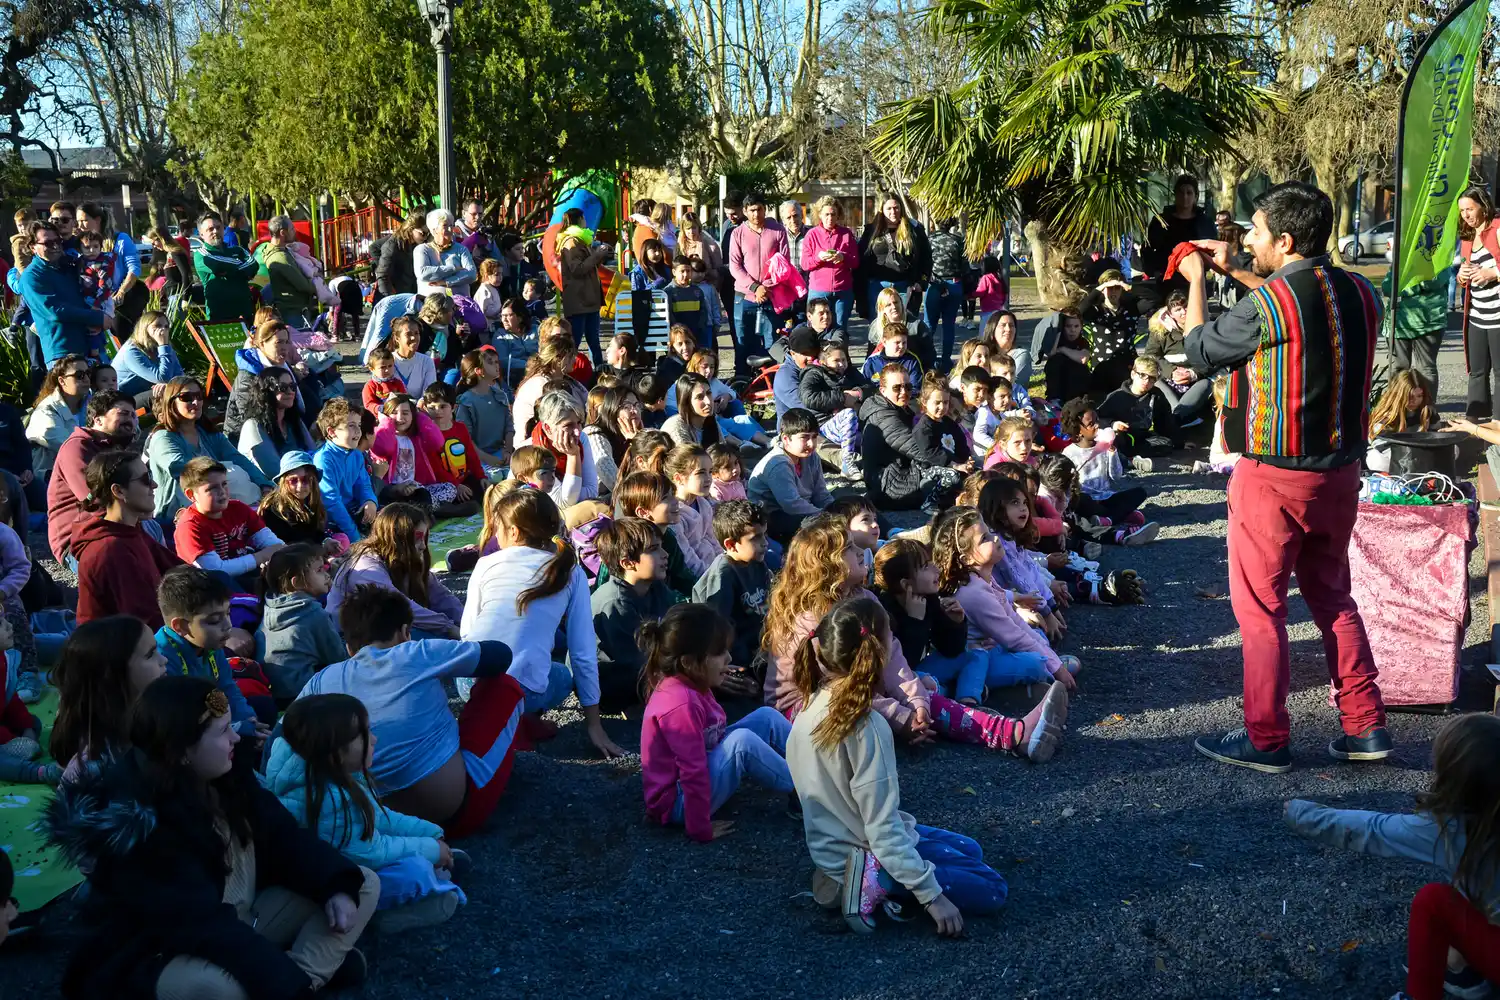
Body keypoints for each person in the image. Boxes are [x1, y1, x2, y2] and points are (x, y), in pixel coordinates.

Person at [1181, 180, 1390, 772]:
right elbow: (1296, 307)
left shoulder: (1270, 304)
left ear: (1287, 239)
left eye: (1256, 232)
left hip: (1274, 476)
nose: (1247, 240)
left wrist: (1200, 281)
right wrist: (1242, 273)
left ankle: (1266, 737)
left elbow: (1201, 350)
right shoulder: (1360, 291)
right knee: (1333, 598)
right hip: (1341, 472)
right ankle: (1365, 726)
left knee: (1261, 610)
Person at [42, 674, 378, 1000]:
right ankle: (300, 970)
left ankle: (301, 975)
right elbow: (196, 922)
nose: (235, 738)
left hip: (234, 921)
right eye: (222, 732)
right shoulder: (138, 821)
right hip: (164, 948)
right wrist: (276, 977)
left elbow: (284, 837)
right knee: (217, 990)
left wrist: (333, 885)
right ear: (182, 750)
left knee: (358, 884)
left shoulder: (224, 774)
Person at [786, 595, 1007, 934]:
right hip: (867, 851)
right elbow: (882, 829)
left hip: (832, 847)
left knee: (970, 850)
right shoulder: (866, 726)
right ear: (878, 652)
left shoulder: (809, 710)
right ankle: (872, 884)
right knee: (992, 888)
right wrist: (931, 896)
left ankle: (842, 875)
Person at [1285, 713, 1500, 1000]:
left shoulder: (1449, 829)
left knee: (1434, 901)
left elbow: (1373, 830)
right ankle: (1462, 970)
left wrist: (1301, 813)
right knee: (1470, 890)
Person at [298, 583, 523, 839]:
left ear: (349, 646)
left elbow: (285, 738)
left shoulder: (322, 680)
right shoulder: (417, 652)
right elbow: (500, 655)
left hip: (373, 824)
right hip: (455, 812)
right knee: (505, 687)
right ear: (406, 632)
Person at [265, 694, 466, 932]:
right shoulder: (329, 800)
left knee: (422, 859)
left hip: (343, 864)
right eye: (364, 734)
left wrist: (429, 833)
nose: (374, 739)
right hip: (336, 882)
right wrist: (430, 850)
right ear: (336, 751)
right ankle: (382, 917)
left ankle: (437, 873)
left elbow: (378, 817)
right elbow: (372, 853)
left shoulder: (325, 769)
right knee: (415, 873)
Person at [873, 536, 1069, 758]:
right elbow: (899, 667)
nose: (935, 569)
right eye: (926, 567)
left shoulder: (928, 598)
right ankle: (974, 703)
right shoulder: (885, 611)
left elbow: (951, 649)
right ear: (906, 584)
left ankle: (969, 699)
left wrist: (957, 622)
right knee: (934, 685)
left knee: (974, 651)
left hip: (929, 672)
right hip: (907, 679)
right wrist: (915, 623)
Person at [460, 487, 623, 754]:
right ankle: (522, 720)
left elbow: (467, 635)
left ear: (513, 531)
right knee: (561, 674)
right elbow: (582, 651)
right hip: (524, 693)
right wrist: (594, 724)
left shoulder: (485, 565)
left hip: (472, 684)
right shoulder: (571, 571)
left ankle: (511, 721)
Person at [641, 602, 793, 843]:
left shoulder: (691, 681)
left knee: (767, 716)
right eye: (720, 653)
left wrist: (716, 673)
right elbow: (692, 771)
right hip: (679, 803)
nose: (729, 658)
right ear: (691, 663)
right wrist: (700, 828)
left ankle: (817, 759)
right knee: (741, 743)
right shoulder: (681, 704)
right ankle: (808, 786)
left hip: (699, 774)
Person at [22, 615, 165, 787]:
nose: (163, 660)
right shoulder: (92, 769)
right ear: (112, 675)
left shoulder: (153, 714)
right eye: (150, 654)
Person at [73, 451, 181, 628]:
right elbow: (146, 622)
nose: (154, 485)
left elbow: (178, 570)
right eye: (145, 479)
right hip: (122, 651)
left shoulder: (130, 531)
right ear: (119, 491)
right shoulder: (110, 550)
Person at [327, 503, 463, 640]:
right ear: (397, 539)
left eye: (425, 537)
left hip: (386, 630)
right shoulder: (366, 567)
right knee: (436, 641)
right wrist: (448, 627)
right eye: (417, 539)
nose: (423, 545)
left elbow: (441, 595)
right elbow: (399, 606)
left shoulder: (404, 557)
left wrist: (466, 623)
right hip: (351, 640)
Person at [145, 376, 273, 520]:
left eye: (199, 396)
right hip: (179, 513)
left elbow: (238, 459)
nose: (195, 402)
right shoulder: (163, 437)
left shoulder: (207, 433)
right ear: (171, 402)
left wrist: (265, 484)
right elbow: (182, 470)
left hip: (218, 503)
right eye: (186, 397)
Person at [590, 517, 677, 710]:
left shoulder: (656, 588)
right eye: (654, 549)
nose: (665, 554)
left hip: (643, 668)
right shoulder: (615, 602)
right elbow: (634, 662)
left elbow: (676, 631)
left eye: (661, 547)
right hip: (612, 683)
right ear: (628, 563)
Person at [46, 390, 138, 565]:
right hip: (80, 539)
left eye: (134, 416)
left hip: (121, 526)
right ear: (98, 419)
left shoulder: (115, 450)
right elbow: (95, 501)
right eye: (123, 413)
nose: (131, 421)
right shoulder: (77, 448)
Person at [858, 366, 963, 512]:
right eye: (897, 388)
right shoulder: (883, 416)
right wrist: (953, 462)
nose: (904, 392)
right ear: (883, 390)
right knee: (950, 479)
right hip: (889, 483)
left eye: (908, 387)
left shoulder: (900, 407)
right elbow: (917, 448)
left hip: (905, 470)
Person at [174, 457, 285, 585]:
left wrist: (278, 554)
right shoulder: (190, 526)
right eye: (212, 488)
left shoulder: (238, 508)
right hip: (212, 589)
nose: (222, 492)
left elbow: (274, 544)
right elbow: (216, 570)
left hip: (248, 575)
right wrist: (261, 557)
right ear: (191, 495)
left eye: (224, 484)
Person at [255, 543, 344, 702]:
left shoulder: (271, 605)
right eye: (319, 570)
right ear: (296, 583)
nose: (326, 574)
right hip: (306, 696)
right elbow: (339, 659)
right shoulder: (313, 614)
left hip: (278, 696)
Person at [691, 499, 772, 669]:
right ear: (731, 545)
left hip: (763, 641)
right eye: (756, 537)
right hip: (743, 655)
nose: (765, 543)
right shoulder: (723, 575)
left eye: (764, 534)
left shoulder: (756, 562)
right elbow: (720, 630)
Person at [16, 221, 109, 363]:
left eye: (57, 241)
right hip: (63, 352)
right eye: (47, 243)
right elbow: (55, 310)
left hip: (91, 344)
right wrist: (97, 317)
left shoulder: (69, 266)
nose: (55, 246)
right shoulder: (31, 276)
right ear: (32, 247)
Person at [727, 192, 791, 378]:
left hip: (770, 296)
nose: (756, 214)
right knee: (742, 341)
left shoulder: (778, 230)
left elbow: (783, 263)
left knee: (772, 341)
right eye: (752, 210)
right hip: (744, 297)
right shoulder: (737, 233)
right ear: (745, 211)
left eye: (760, 209)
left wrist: (766, 286)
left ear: (765, 209)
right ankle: (742, 381)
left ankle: (771, 382)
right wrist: (755, 287)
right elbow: (735, 266)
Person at [748, 408, 833, 543]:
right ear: (786, 439)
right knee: (820, 529)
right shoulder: (778, 464)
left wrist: (836, 509)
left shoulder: (811, 457)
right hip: (773, 517)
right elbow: (792, 505)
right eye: (804, 437)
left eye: (814, 437)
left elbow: (821, 493)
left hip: (803, 509)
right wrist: (826, 516)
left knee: (852, 508)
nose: (811, 444)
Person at [1456, 187, 1500, 418]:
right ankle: (1475, 422)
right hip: (1476, 316)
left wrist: (1492, 273)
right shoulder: (1467, 237)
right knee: (1476, 371)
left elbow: (1491, 270)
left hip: (1497, 316)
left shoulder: (1498, 228)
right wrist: (1462, 276)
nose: (1466, 215)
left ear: (1483, 206)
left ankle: (1498, 428)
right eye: (1462, 211)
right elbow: (1464, 272)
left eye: (1470, 209)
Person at [800, 338, 872, 479]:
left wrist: (858, 393)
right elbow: (809, 397)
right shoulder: (814, 373)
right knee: (849, 414)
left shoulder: (850, 372)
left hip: (850, 428)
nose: (841, 364)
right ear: (823, 361)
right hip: (824, 426)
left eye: (844, 360)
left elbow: (870, 387)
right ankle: (846, 463)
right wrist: (842, 398)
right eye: (836, 361)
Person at [1382, 250, 1449, 400]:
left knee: (1426, 368)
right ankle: (1397, 408)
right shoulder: (1402, 258)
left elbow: (1436, 280)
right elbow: (1387, 287)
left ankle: (1428, 411)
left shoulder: (1440, 255)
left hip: (1429, 322)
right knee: (1398, 369)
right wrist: (1417, 286)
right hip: (1400, 322)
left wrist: (1406, 286)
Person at [857, 193, 931, 325]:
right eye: (889, 208)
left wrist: (922, 281)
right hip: (877, 287)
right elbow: (862, 261)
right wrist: (860, 292)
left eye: (896, 208)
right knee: (878, 328)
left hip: (906, 287)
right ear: (881, 210)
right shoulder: (872, 230)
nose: (893, 212)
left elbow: (926, 257)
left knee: (904, 328)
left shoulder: (914, 229)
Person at [314, 397, 380, 543]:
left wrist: (370, 501)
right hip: (332, 520)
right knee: (342, 542)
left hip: (353, 511)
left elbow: (364, 485)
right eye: (351, 426)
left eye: (359, 425)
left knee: (391, 520)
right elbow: (331, 502)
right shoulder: (324, 459)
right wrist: (355, 537)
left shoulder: (356, 454)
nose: (358, 431)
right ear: (331, 432)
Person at [1140, 174, 1216, 297]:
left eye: (1189, 193)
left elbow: (1212, 248)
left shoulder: (1205, 222)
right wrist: (1155, 271)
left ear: (1195, 196)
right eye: (1181, 192)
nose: (1185, 197)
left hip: (1196, 279)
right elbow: (1148, 248)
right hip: (1167, 280)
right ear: (1175, 195)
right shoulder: (1161, 220)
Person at [1095, 356, 1179, 462]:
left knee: (1167, 444)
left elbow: (1166, 420)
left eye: (1152, 378)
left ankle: (1130, 458)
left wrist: (1179, 442)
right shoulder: (1116, 396)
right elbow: (1099, 419)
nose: (1146, 381)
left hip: (1143, 438)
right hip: (1123, 436)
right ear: (1133, 374)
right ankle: (1127, 458)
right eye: (1142, 375)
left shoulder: (1156, 395)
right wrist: (1113, 424)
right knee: (1112, 439)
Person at [258, 451, 344, 552]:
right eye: (293, 480)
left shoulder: (309, 500)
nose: (300, 486)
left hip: (310, 551)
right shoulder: (272, 509)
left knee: (342, 540)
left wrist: (326, 540)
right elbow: (289, 545)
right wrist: (321, 551)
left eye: (305, 480)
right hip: (289, 557)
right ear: (284, 482)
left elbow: (313, 533)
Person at [556, 211, 610, 365]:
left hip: (589, 299)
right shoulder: (571, 242)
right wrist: (597, 255)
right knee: (576, 340)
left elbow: (589, 266)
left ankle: (599, 369)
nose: (586, 220)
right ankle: (569, 368)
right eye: (584, 217)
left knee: (594, 339)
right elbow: (577, 269)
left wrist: (599, 256)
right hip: (579, 300)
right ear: (579, 219)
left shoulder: (581, 240)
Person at [26, 353, 91, 480]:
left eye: (88, 373)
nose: (86, 378)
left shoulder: (90, 400)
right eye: (79, 375)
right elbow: (69, 446)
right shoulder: (45, 411)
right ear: (62, 381)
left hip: (86, 468)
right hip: (51, 476)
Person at [801, 197, 859, 335]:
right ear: (820, 214)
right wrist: (818, 258)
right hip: (819, 290)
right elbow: (804, 264)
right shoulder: (812, 234)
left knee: (840, 330)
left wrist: (843, 257)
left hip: (842, 290)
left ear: (838, 215)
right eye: (826, 214)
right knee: (817, 330)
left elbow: (856, 262)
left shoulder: (846, 234)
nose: (830, 218)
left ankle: (840, 356)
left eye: (833, 214)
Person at [1079, 269, 1143, 394]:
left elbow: (1154, 299)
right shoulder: (1096, 311)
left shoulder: (1132, 309)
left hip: (1127, 364)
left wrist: (1128, 286)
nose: (1113, 291)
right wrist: (1100, 287)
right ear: (1103, 289)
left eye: (1116, 288)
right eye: (1109, 288)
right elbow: (1081, 310)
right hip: (1102, 366)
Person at [193, 212, 260, 324]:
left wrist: (229, 270)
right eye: (210, 229)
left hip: (246, 313)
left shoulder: (237, 250)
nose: (215, 231)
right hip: (220, 317)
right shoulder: (201, 254)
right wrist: (242, 270)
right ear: (201, 234)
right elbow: (218, 265)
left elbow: (253, 264)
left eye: (218, 227)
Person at [1366, 370, 1437, 474]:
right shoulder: (1387, 415)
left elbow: (1437, 435)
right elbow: (1380, 444)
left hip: (1420, 453)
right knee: (1377, 461)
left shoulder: (1428, 411)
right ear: (1399, 395)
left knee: (1454, 451)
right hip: (1392, 454)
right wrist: (1408, 458)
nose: (1415, 401)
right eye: (1409, 397)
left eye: (1419, 396)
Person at [255, 216, 317, 325]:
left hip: (289, 309)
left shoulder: (273, 250)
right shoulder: (281, 258)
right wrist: (318, 283)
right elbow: (303, 285)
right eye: (292, 229)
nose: (294, 232)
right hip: (293, 311)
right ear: (283, 232)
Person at [924, 218, 968, 367]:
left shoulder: (929, 239)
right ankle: (946, 359)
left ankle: (928, 357)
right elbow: (965, 266)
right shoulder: (958, 240)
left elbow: (924, 264)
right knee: (949, 325)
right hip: (954, 283)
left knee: (929, 324)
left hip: (935, 284)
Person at [113, 310, 183, 401]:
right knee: (166, 394)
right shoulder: (131, 351)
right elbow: (163, 378)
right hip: (124, 400)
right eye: (157, 326)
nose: (163, 330)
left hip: (149, 391)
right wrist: (163, 346)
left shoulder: (162, 347)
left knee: (183, 391)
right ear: (145, 328)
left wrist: (168, 385)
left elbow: (180, 374)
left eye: (166, 327)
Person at [454, 349, 512, 458]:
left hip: (501, 453)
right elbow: (466, 440)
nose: (497, 365)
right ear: (479, 371)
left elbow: (509, 428)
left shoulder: (500, 395)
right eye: (490, 362)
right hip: (478, 459)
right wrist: (491, 461)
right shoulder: (466, 401)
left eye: (496, 362)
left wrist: (508, 452)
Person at [413, 209, 476, 299]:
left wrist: (446, 282)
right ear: (434, 230)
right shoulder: (422, 250)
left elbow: (471, 274)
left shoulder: (461, 249)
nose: (450, 229)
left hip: (460, 305)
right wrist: (453, 269)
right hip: (431, 307)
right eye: (445, 226)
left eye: (451, 225)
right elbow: (423, 274)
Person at [773, 325, 820, 421]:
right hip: (797, 431)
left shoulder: (819, 365)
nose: (810, 358)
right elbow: (807, 408)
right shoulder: (785, 376)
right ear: (793, 354)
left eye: (813, 352)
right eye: (805, 354)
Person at [376, 212, 427, 298]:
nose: (425, 237)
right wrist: (391, 300)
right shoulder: (392, 246)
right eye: (423, 234)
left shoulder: (416, 246)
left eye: (428, 234)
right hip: (395, 298)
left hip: (409, 296)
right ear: (411, 230)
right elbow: (382, 276)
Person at [389, 315, 437, 398]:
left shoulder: (426, 361)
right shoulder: (386, 361)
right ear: (397, 338)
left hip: (419, 409)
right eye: (408, 334)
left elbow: (428, 394)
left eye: (416, 333)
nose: (413, 337)